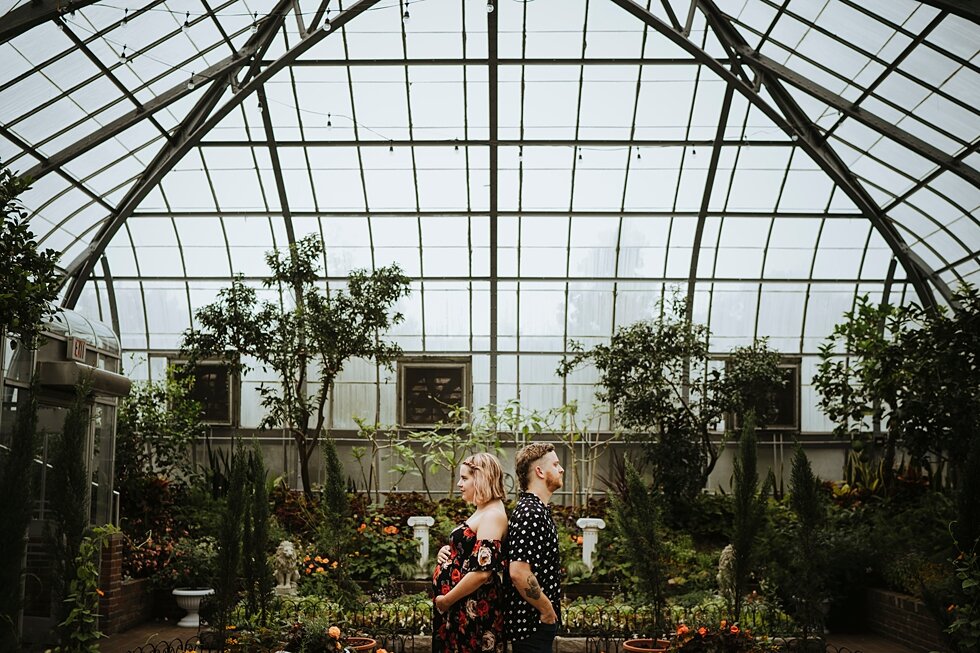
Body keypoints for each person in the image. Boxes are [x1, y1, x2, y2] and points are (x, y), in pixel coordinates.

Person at [432, 452, 508, 653]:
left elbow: (482, 572)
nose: (459, 483)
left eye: (465, 478)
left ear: (482, 479)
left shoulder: (492, 515)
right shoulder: (483, 509)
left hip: (473, 613)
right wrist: (449, 552)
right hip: (461, 608)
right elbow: (469, 551)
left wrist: (446, 601)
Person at [504, 443, 564, 653]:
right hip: (532, 624)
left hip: (535, 624)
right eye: (555, 464)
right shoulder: (530, 512)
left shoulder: (536, 509)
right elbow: (519, 572)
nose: (561, 469)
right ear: (539, 471)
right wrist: (547, 610)